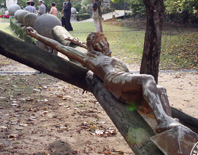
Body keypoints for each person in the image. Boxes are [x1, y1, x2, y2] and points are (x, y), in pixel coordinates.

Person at [25, 27, 180, 133]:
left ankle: (168, 127)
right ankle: (163, 120)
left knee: (161, 90)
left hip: (123, 79)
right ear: (94, 46)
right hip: (113, 79)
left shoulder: (108, 57)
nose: (106, 44)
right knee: (148, 78)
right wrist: (36, 35)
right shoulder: (88, 57)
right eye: (101, 43)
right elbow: (61, 47)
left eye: (106, 42)